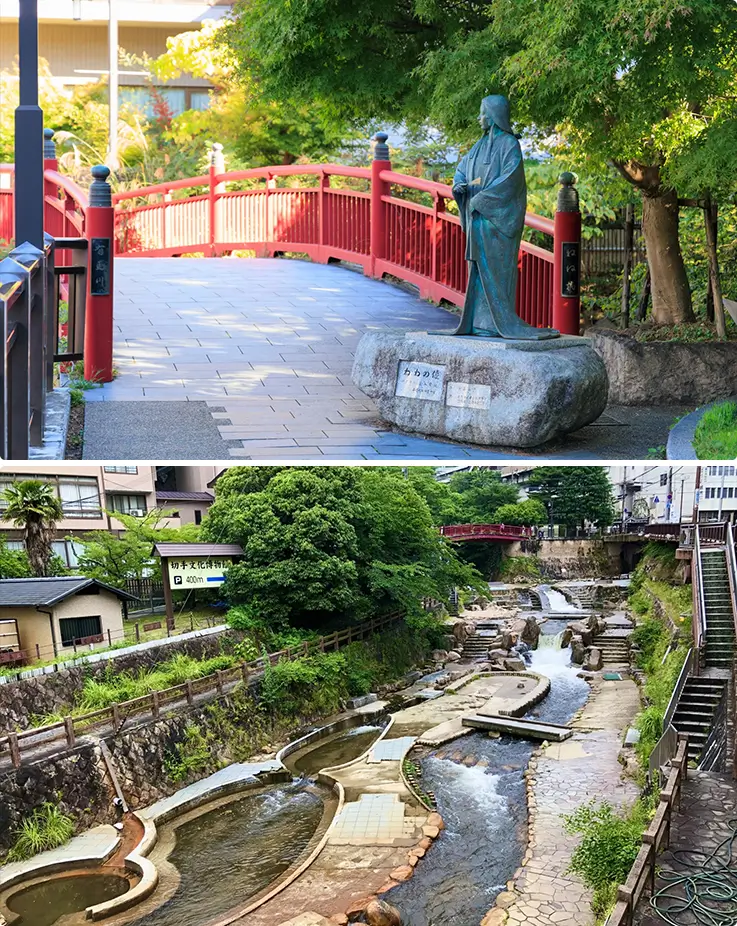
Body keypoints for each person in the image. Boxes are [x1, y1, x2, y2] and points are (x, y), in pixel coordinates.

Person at [450, 95, 559, 340]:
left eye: (482, 113)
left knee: (497, 272)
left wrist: (481, 200)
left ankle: (497, 323)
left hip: (496, 221)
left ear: (493, 115)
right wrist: (459, 186)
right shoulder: (478, 146)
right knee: (477, 271)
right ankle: (478, 323)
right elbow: (461, 169)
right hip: (478, 219)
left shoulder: (509, 144)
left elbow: (510, 180)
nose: (479, 118)